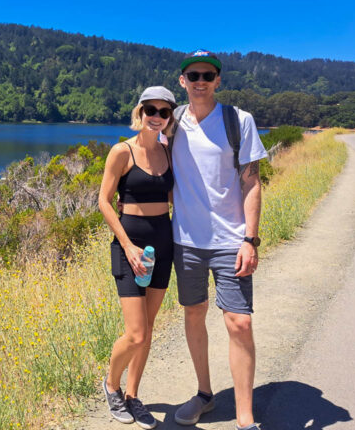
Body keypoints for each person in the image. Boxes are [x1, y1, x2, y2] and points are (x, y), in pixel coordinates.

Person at [166, 50, 267, 430]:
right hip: (186, 241)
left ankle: (245, 417)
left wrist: (250, 240)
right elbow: (150, 163)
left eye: (208, 74)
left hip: (230, 241)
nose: (201, 81)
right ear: (183, 81)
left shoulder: (238, 121)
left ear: (218, 80)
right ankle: (205, 394)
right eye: (193, 75)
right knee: (194, 313)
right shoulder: (170, 122)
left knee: (239, 322)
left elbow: (252, 181)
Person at [98, 86, 177, 428]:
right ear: (139, 113)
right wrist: (127, 245)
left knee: (149, 326)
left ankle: (132, 395)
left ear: (169, 118)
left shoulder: (168, 151)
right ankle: (111, 385)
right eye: (150, 110)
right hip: (129, 247)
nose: (156, 117)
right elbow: (104, 201)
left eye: (163, 112)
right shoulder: (121, 152)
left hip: (163, 242)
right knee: (136, 333)